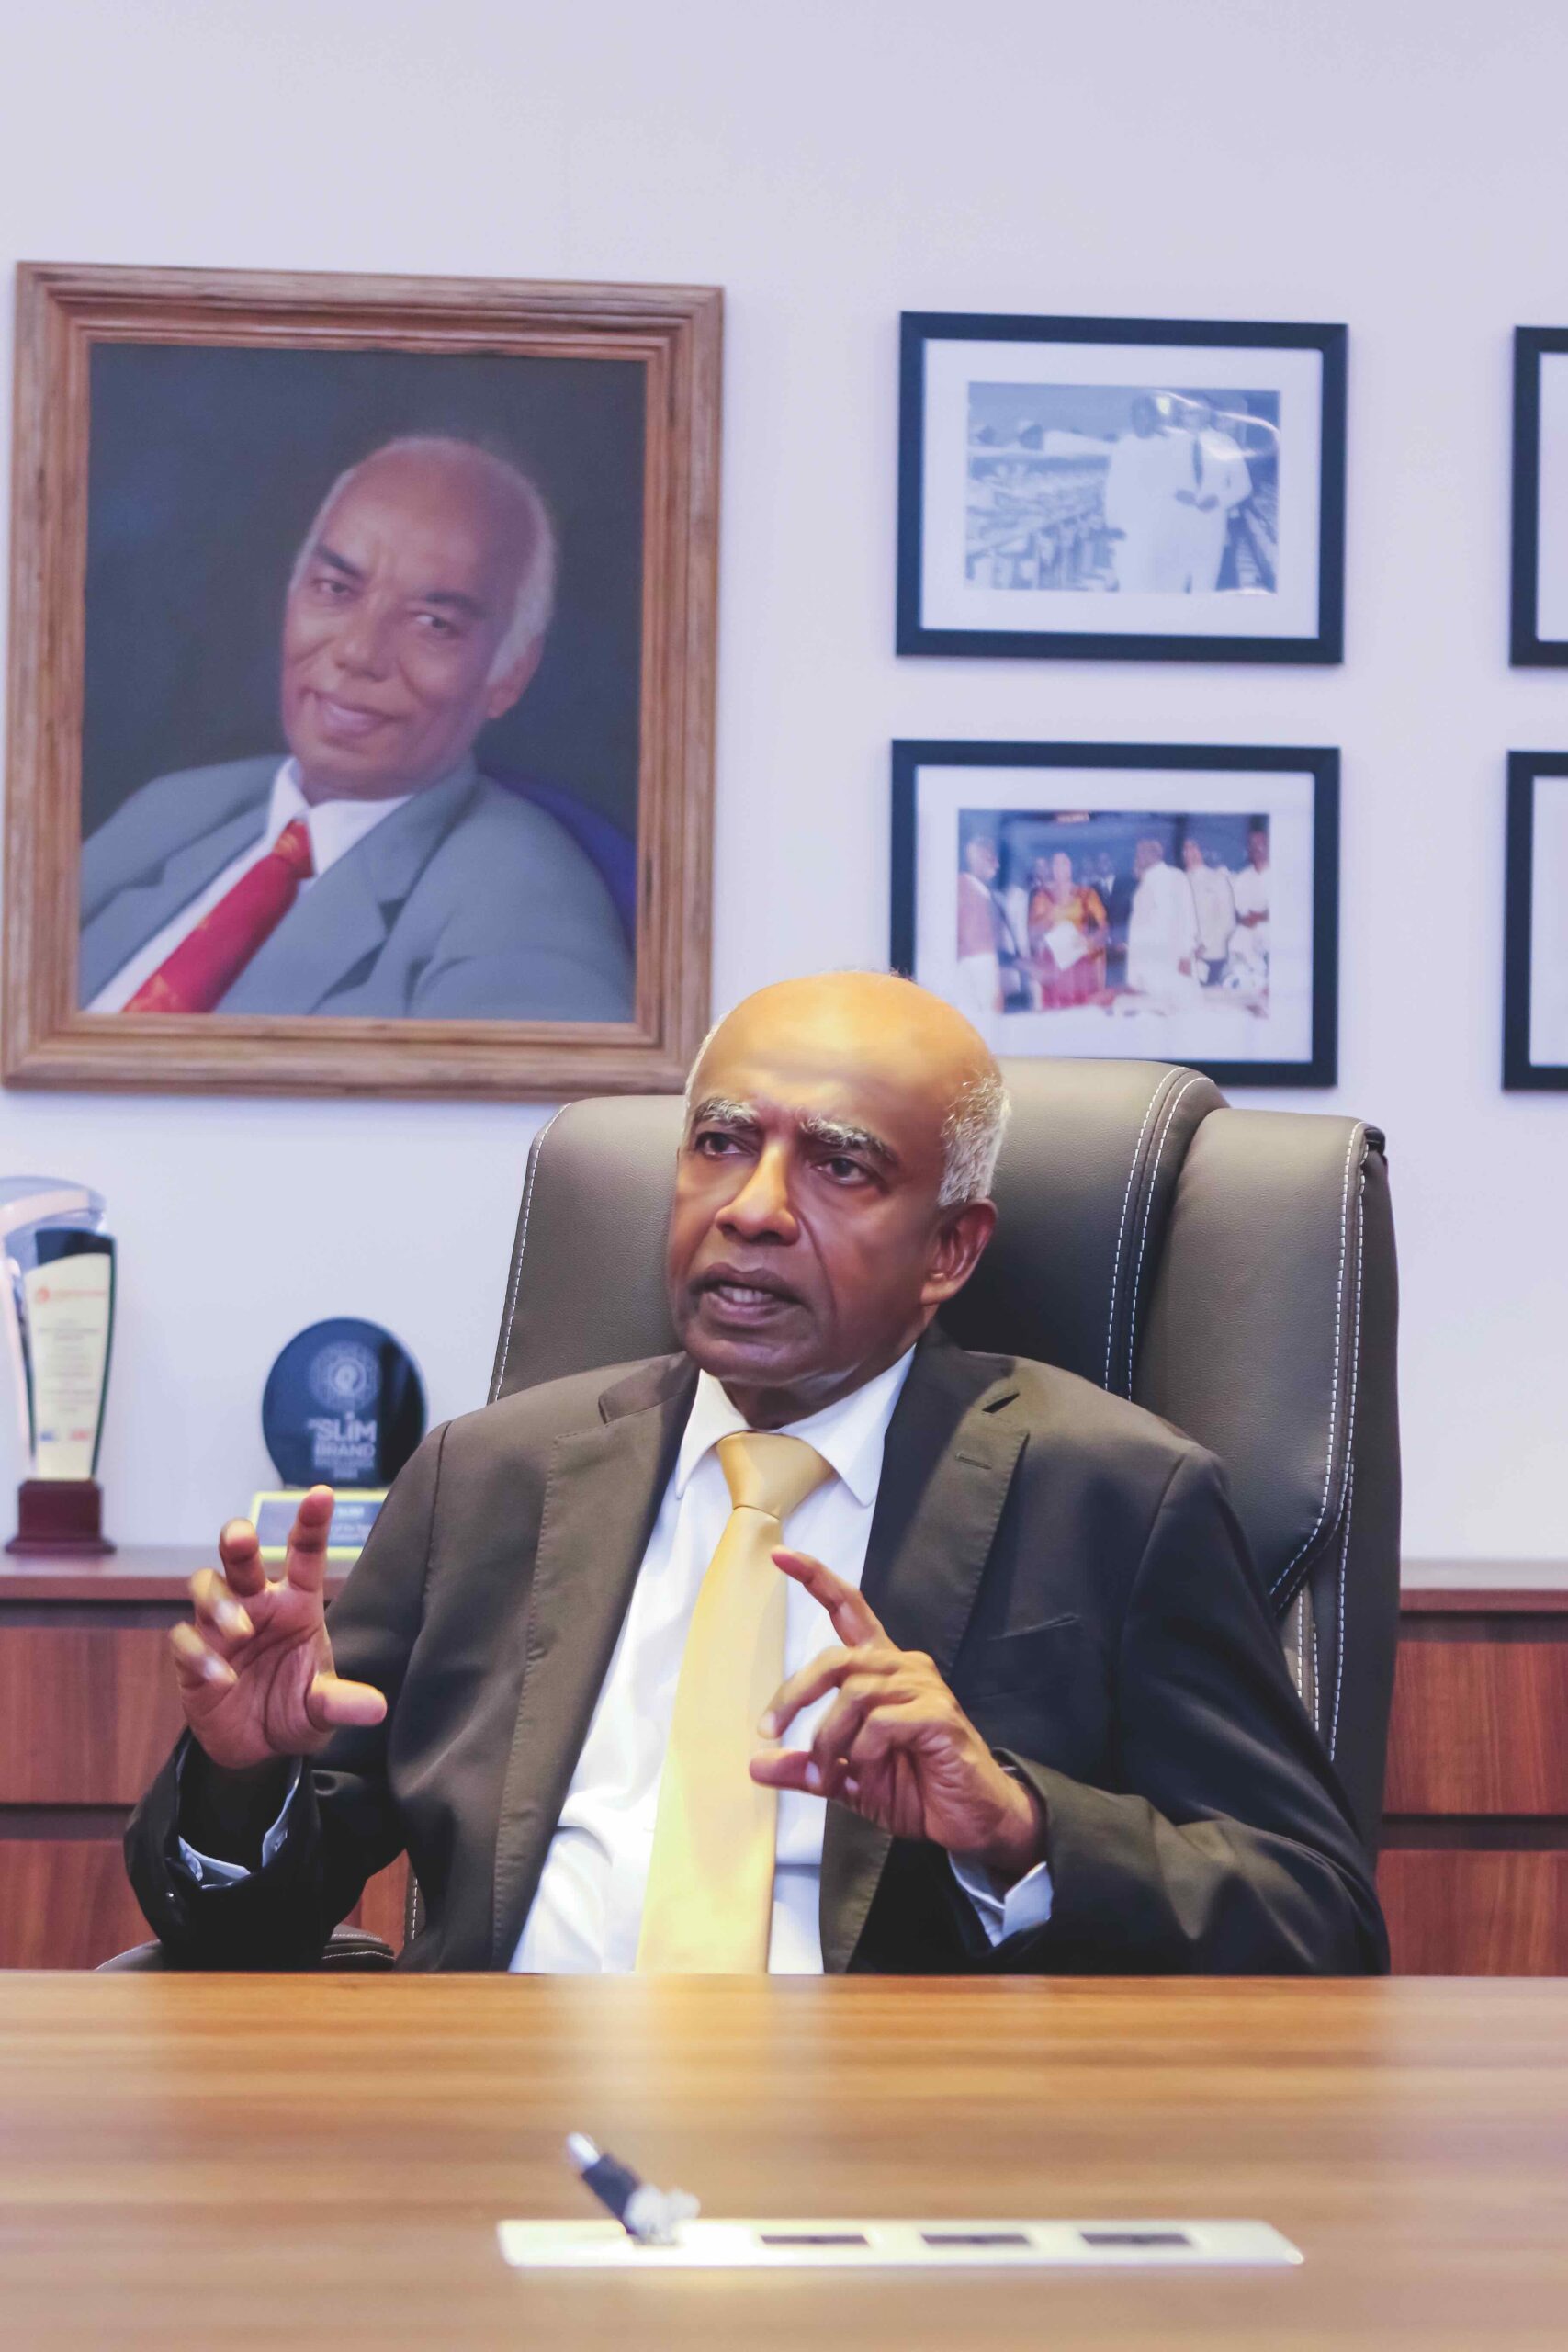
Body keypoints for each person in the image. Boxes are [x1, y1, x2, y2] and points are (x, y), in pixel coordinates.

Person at [126, 970, 1386, 1978]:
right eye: (721, 1142)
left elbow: (1314, 1914)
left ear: (949, 1249)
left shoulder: (1112, 1495)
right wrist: (244, 1774)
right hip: (502, 2119)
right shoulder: (490, 1476)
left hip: (890, 2147)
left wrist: (1015, 1827)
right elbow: (239, 1929)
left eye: (839, 1165)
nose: (753, 1208)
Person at [79, 436, 633, 1022]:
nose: (358, 652)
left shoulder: (522, 915)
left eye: (433, 623)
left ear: (511, 674)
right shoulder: (177, 807)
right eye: (336, 590)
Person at [1101, 395, 1186, 593]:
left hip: (1158, 528)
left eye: (1146, 416)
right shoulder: (1122, 447)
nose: (1141, 421)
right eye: (1137, 416)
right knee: (1129, 583)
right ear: (1132, 418)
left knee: (1156, 585)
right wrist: (1111, 523)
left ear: (1154, 418)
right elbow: (1112, 487)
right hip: (1127, 528)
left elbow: (1175, 488)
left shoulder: (1167, 447)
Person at [1173, 401, 1253, 594]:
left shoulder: (1226, 443)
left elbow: (1244, 486)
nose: (1187, 417)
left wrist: (1218, 500)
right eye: (1184, 412)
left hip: (1210, 526)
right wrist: (1174, 493)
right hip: (1174, 527)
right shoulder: (1171, 443)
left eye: (1193, 412)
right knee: (1173, 587)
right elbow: (1159, 483)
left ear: (1207, 414)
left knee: (1203, 587)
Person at [1027, 849, 1108, 1007]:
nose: (1060, 868)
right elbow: (1033, 934)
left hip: (1081, 964)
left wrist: (1091, 940)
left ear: (1072, 866)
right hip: (1053, 966)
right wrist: (1049, 916)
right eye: (1055, 864)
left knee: (1081, 1010)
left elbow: (1104, 928)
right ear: (1051, 868)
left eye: (1064, 863)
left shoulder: (1086, 894)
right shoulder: (1042, 897)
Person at [1125, 837, 1200, 1010]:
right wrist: (1134, 975)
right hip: (1147, 965)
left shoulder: (1175, 876)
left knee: (1182, 1013)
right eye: (1139, 852)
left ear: (1157, 853)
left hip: (1172, 962)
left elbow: (1188, 919)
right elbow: (1138, 931)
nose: (1139, 856)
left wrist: (1185, 956)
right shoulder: (1142, 885)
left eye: (1144, 851)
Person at [955, 833, 1008, 1022]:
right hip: (975, 965)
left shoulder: (984, 892)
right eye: (990, 857)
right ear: (975, 856)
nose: (997, 865)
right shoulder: (963, 887)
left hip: (983, 965)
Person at [1181, 837, 1237, 986]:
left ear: (1203, 851)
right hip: (1184, 958)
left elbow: (1228, 922)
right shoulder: (1178, 881)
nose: (1190, 852)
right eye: (1186, 849)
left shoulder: (1218, 879)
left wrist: (1204, 946)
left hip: (1212, 955)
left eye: (1194, 848)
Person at [1229, 825, 1272, 993]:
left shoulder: (1280, 874)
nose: (1257, 848)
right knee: (1237, 942)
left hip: (1272, 934)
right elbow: (1239, 913)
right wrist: (1249, 919)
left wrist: (1261, 916)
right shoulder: (1242, 878)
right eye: (1253, 844)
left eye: (1261, 843)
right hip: (1247, 934)